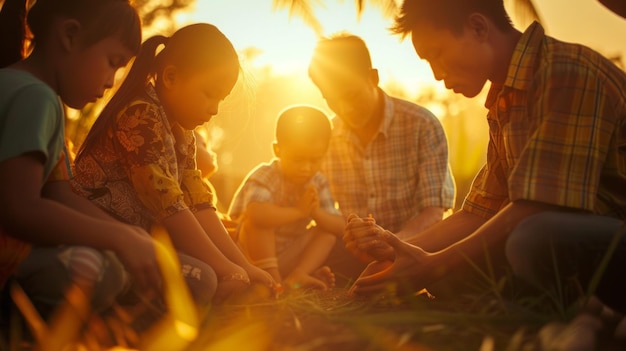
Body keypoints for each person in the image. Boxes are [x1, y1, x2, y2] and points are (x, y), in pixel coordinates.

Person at [345, 0, 626, 320]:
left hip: (608, 237)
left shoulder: (567, 72)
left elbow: (542, 205)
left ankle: (567, 313)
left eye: (436, 54)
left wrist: (436, 263)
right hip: (570, 241)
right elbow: (479, 211)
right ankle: (546, 306)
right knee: (457, 265)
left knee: (532, 238)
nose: (437, 74)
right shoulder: (505, 100)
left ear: (478, 28)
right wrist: (399, 250)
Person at [72, 23, 275, 306]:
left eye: (221, 99)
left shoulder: (184, 133)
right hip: (104, 239)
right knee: (204, 277)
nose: (215, 108)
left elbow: (199, 203)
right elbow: (167, 205)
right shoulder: (140, 115)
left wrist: (243, 265)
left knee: (220, 275)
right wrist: (224, 267)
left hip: (145, 238)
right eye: (209, 93)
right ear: (170, 77)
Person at [0, 0, 162, 321]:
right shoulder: (36, 98)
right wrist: (118, 237)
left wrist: (130, 235)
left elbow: (60, 193)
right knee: (103, 271)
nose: (111, 81)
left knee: (117, 258)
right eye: (112, 62)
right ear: (70, 35)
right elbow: (19, 208)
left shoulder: (26, 88)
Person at [307, 33, 455, 280]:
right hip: (353, 251)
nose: (346, 109)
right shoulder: (328, 138)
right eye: (332, 100)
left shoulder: (422, 125)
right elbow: (323, 212)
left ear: (372, 78)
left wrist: (392, 245)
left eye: (351, 96)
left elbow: (433, 212)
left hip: (416, 246)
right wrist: (355, 235)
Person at [228, 105, 345, 290]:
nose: (306, 168)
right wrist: (298, 211)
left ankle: (299, 274)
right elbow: (257, 214)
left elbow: (340, 226)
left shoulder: (318, 182)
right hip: (250, 256)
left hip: (289, 253)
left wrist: (315, 211)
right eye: (298, 159)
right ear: (278, 150)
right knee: (260, 223)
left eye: (315, 160)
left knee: (327, 233)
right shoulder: (265, 175)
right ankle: (273, 281)